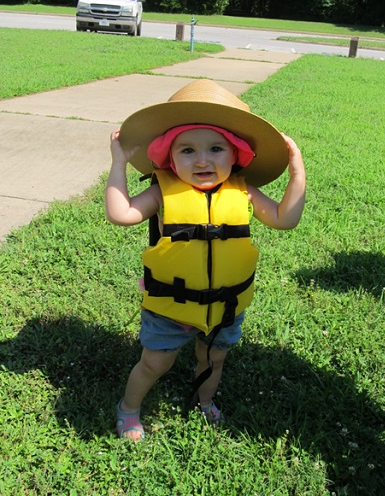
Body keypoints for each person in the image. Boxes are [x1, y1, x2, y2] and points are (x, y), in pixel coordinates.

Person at [105, 79, 306, 441]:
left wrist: (297, 175)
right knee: (154, 363)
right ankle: (129, 408)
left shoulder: (242, 190)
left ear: (236, 156)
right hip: (170, 306)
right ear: (168, 159)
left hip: (226, 304)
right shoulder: (162, 192)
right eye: (187, 151)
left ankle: (205, 400)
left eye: (216, 149)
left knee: (213, 359)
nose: (202, 160)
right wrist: (118, 163)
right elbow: (121, 213)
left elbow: (284, 219)